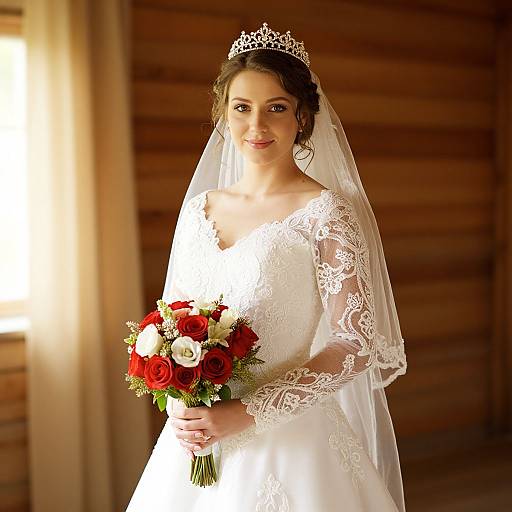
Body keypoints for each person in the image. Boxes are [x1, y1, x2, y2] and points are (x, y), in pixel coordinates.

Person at [126, 22, 407, 511]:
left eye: (276, 108)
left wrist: (248, 412)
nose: (256, 126)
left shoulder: (326, 213)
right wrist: (181, 397)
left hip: (293, 446)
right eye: (242, 108)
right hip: (196, 441)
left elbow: (355, 343)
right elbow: (170, 317)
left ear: (301, 117)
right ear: (223, 114)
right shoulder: (200, 210)